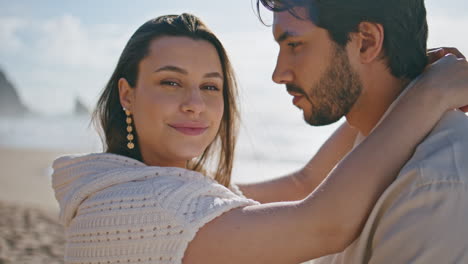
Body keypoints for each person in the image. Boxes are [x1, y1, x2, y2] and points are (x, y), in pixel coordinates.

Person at [51, 13, 468, 264]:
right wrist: (430, 96)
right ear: (128, 94)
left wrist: (395, 91)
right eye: (171, 83)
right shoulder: (156, 208)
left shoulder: (159, 190)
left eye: (211, 87)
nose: (195, 104)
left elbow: (305, 184)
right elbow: (322, 224)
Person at [256, 0, 468, 263]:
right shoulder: (370, 135)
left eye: (294, 45)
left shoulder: (435, 185)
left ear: (366, 42)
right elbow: (305, 183)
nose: (279, 74)